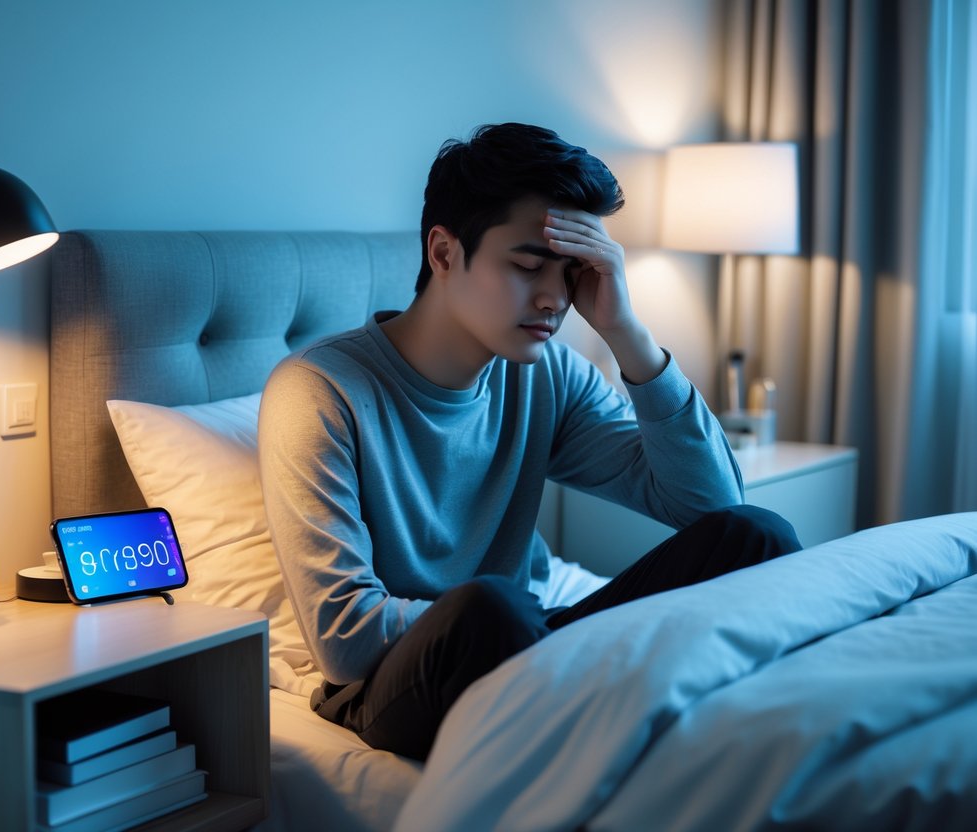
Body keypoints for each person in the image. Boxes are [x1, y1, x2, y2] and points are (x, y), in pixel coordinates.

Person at [257, 122, 802, 761]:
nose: (553, 299)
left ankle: (606, 689)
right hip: (396, 680)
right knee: (491, 608)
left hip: (528, 641)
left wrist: (628, 333)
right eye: (526, 265)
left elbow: (712, 505)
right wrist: (535, 629)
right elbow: (344, 638)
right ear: (442, 252)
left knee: (756, 534)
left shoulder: (549, 374)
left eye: (571, 274)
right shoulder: (319, 390)